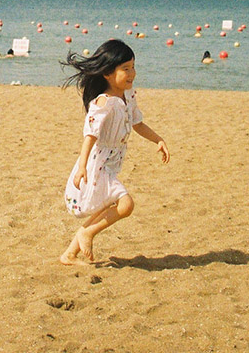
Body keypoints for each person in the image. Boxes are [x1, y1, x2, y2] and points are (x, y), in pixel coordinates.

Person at [59, 40, 169, 265]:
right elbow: (90, 135)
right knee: (125, 204)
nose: (132, 74)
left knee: (106, 207)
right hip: (96, 165)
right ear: (108, 73)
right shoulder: (103, 102)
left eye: (133, 67)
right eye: (125, 69)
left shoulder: (128, 96)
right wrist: (81, 167)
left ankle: (69, 254)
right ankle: (87, 234)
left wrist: (158, 139)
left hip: (111, 165)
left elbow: (137, 123)